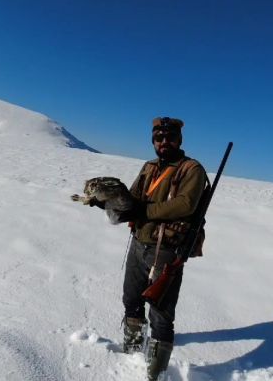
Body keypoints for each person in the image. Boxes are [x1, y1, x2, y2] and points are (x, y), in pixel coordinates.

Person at [119, 116, 208, 381]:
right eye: (159, 137)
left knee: (160, 312)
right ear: (153, 140)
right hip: (138, 243)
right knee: (131, 300)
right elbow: (132, 198)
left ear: (179, 139)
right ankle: (132, 352)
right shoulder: (149, 167)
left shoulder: (191, 169)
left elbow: (185, 205)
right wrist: (108, 200)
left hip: (166, 249)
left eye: (170, 137)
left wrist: (145, 210)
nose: (164, 142)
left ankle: (155, 373)